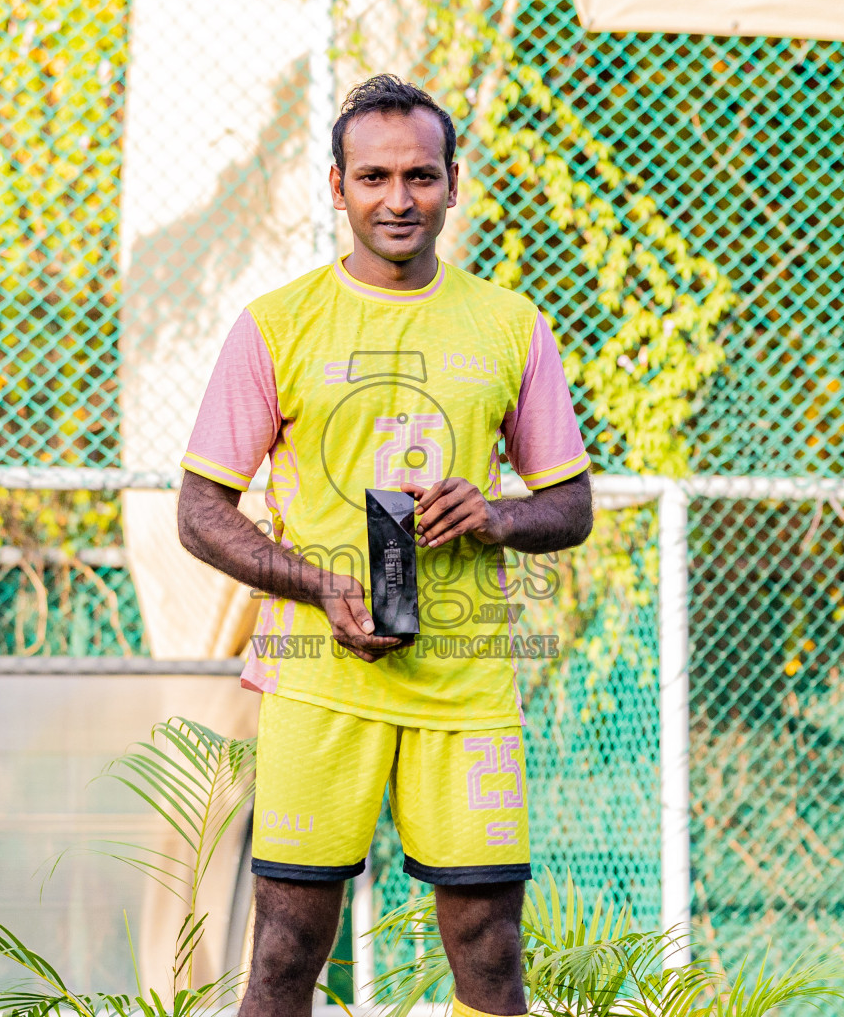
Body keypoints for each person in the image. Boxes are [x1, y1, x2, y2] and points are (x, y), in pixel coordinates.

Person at [177, 74, 593, 1017]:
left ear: (452, 181)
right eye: (372, 178)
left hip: (466, 684)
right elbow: (201, 511)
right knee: (285, 951)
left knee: (490, 953)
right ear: (336, 187)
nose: (396, 200)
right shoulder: (276, 326)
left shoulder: (511, 326)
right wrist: (320, 585)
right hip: (318, 680)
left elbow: (569, 507)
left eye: (418, 176)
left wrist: (492, 513)